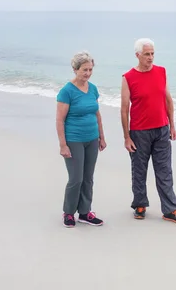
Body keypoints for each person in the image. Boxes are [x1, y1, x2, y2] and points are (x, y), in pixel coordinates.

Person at [120, 38, 176, 224]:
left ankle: (171, 209)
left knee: (165, 171)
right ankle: (140, 204)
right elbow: (124, 108)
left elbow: (168, 100)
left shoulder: (161, 72)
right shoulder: (128, 77)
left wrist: (172, 125)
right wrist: (127, 137)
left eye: (152, 54)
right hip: (139, 132)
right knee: (139, 170)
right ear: (138, 55)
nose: (150, 57)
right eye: (147, 54)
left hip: (161, 129)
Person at [56, 51, 107, 228]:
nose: (87, 73)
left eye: (90, 69)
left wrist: (101, 136)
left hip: (92, 138)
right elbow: (60, 119)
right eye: (84, 70)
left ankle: (85, 212)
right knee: (76, 178)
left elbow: (97, 113)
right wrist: (63, 145)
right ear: (75, 69)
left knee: (88, 178)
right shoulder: (67, 91)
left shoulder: (92, 88)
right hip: (74, 140)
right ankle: (69, 212)